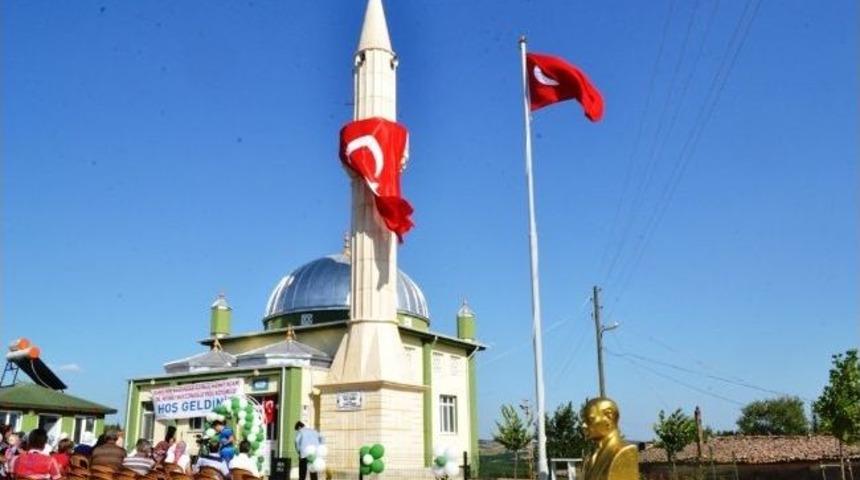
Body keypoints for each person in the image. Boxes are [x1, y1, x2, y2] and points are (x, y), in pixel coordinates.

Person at [580, 397, 639, 480]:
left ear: (609, 417)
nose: (584, 425)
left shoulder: (623, 452)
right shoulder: (591, 455)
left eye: (590, 419)